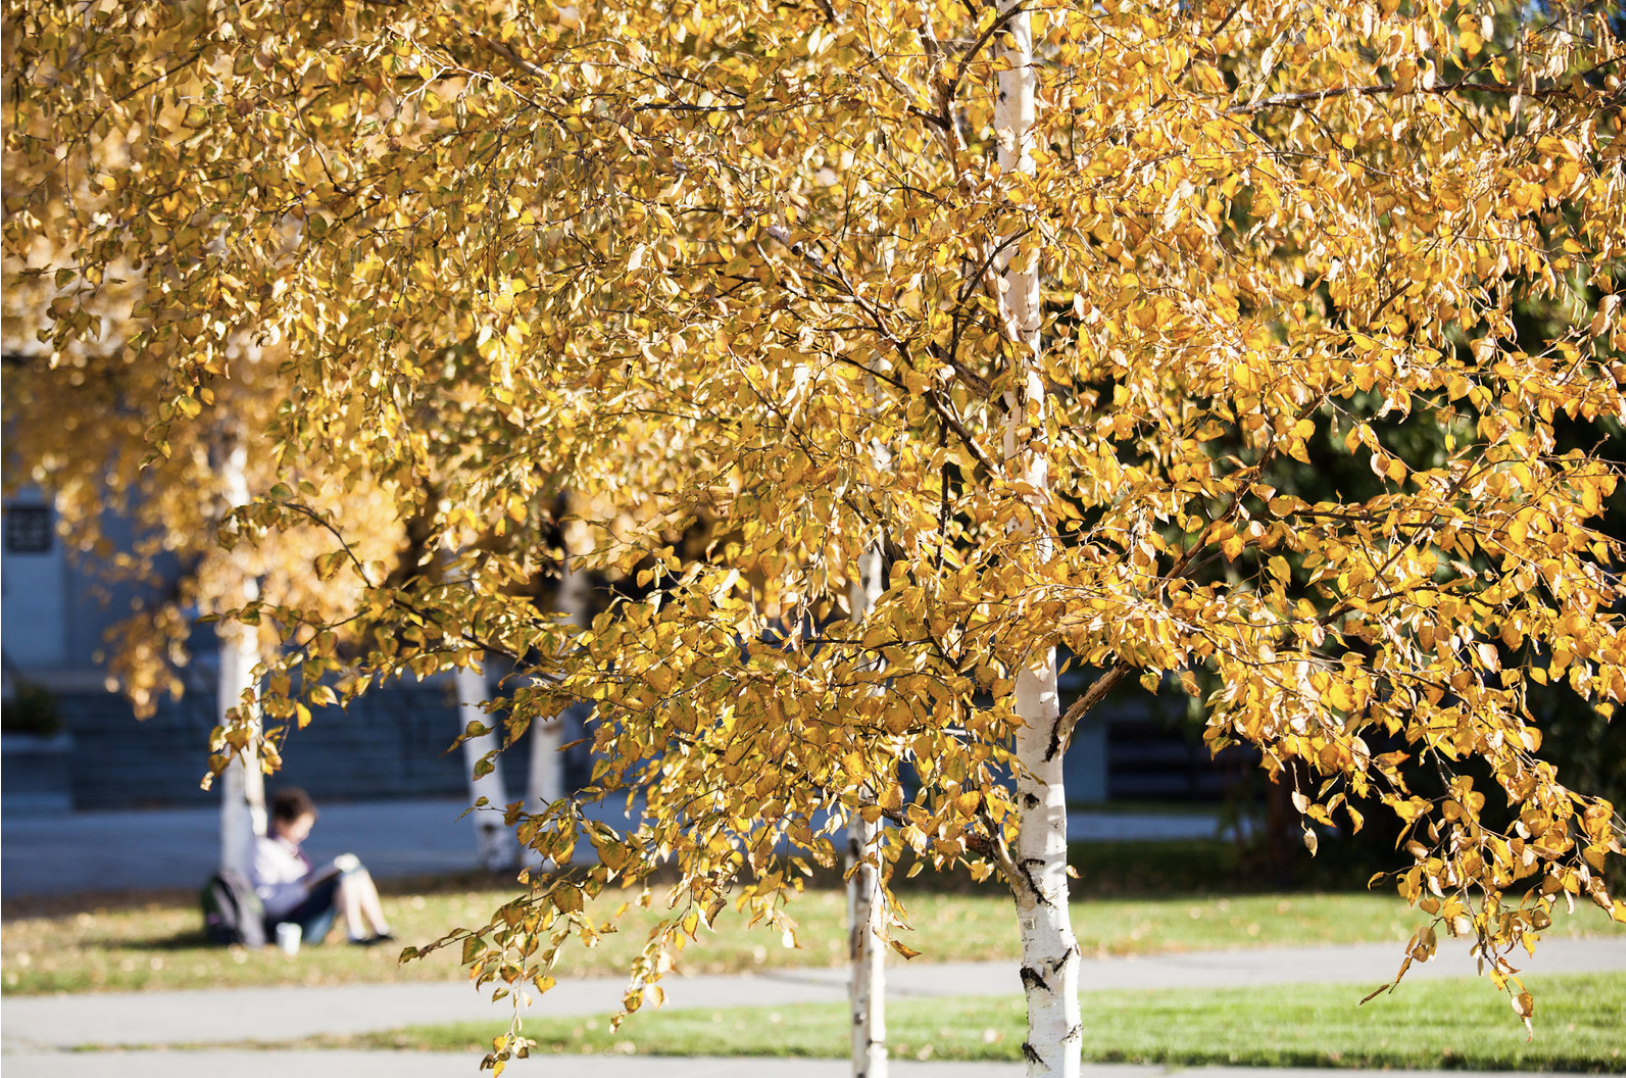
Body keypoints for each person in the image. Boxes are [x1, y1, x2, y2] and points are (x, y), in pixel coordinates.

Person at [253, 787, 394, 946]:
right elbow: (270, 904)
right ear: (280, 821)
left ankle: (380, 928)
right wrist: (306, 887)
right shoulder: (263, 850)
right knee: (342, 878)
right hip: (291, 923)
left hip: (307, 910)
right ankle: (355, 933)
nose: (304, 834)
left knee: (355, 870)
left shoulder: (291, 847)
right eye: (299, 826)